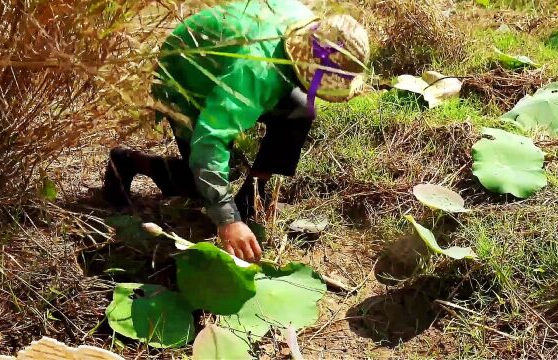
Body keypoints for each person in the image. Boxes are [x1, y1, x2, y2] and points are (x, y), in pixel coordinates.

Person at [102, 0, 370, 263]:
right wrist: (227, 219)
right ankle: (127, 162)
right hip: (185, 74)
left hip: (227, 61)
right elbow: (209, 143)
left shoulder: (306, 26)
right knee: (207, 181)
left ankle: (253, 194)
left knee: (301, 110)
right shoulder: (254, 73)